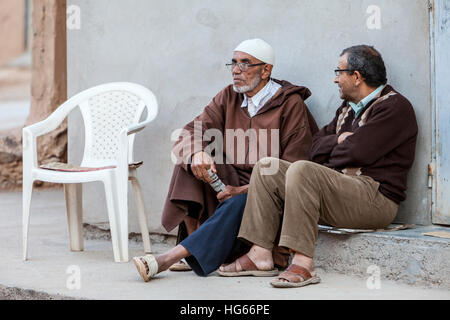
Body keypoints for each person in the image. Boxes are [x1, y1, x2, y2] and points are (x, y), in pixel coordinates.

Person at [218, 45, 418, 288]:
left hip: (375, 199)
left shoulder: (394, 108)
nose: (335, 78)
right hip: (340, 192)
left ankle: (303, 263)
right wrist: (339, 141)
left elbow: (358, 151)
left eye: (339, 71)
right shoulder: (346, 109)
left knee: (303, 169)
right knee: (267, 167)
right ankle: (260, 254)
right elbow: (314, 147)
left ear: (356, 77)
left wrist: (338, 148)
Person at [132, 38, 318, 280]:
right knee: (188, 163)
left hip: (268, 192)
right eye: (233, 63)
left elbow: (293, 170)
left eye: (245, 64)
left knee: (240, 202)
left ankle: (168, 258)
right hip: (230, 181)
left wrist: (242, 190)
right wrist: (197, 154)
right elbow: (191, 131)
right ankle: (194, 247)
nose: (236, 70)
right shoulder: (228, 96)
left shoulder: (290, 105)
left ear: (266, 70)